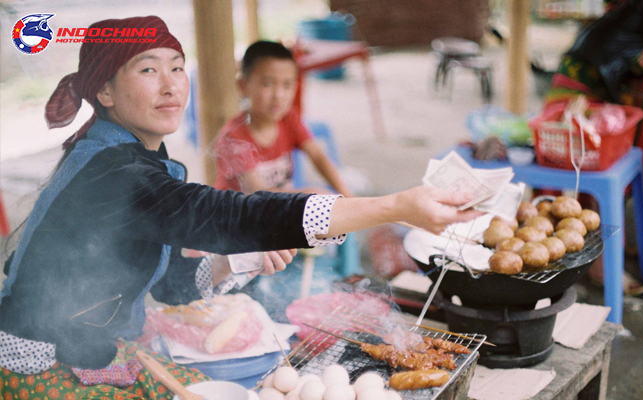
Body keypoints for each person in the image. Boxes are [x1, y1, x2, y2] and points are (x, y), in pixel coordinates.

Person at [0, 16, 481, 399]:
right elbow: (234, 213)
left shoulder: (133, 157)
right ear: (104, 91)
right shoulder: (112, 175)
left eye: (175, 65)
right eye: (148, 69)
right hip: (43, 360)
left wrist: (236, 259)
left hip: (96, 343)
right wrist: (396, 205)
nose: (171, 84)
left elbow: (166, 284)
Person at [545, 0, 643, 197]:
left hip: (572, 78)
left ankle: (600, 203)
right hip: (578, 87)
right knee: (582, 152)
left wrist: (639, 63)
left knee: (583, 155)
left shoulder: (630, 9)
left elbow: (618, 52)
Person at [214, 41, 352, 197]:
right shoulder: (233, 137)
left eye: (287, 85)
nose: (278, 95)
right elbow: (258, 195)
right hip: (238, 217)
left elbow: (318, 157)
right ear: (243, 86)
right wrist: (311, 195)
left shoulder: (289, 118)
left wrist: (349, 198)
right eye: (267, 84)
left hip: (278, 210)